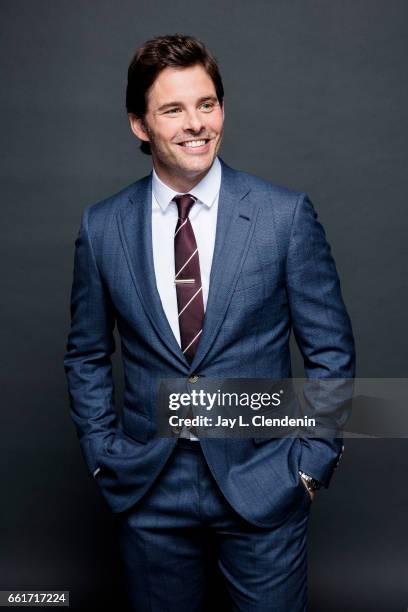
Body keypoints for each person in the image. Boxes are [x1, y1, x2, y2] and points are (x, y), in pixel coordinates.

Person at [64, 34, 355, 611]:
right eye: (173, 109)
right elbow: (86, 355)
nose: (196, 123)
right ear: (139, 125)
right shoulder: (102, 228)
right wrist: (103, 455)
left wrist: (310, 465)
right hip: (149, 489)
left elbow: (332, 352)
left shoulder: (283, 216)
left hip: (264, 479)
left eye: (207, 103)